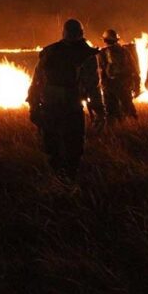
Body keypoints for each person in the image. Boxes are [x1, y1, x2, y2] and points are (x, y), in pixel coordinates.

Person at [26, 19, 104, 181]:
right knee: (72, 146)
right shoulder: (86, 54)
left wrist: (33, 105)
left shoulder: (50, 51)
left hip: (51, 105)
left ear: (63, 32)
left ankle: (59, 177)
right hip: (69, 106)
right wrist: (99, 111)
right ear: (81, 33)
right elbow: (93, 86)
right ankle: (67, 179)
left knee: (53, 145)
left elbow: (36, 82)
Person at [97, 29, 140, 124]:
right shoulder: (125, 51)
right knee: (128, 107)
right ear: (117, 40)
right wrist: (137, 85)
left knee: (111, 110)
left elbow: (101, 69)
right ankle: (135, 126)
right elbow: (134, 68)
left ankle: (114, 130)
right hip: (124, 83)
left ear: (105, 40)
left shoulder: (102, 52)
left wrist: (102, 84)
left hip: (110, 84)